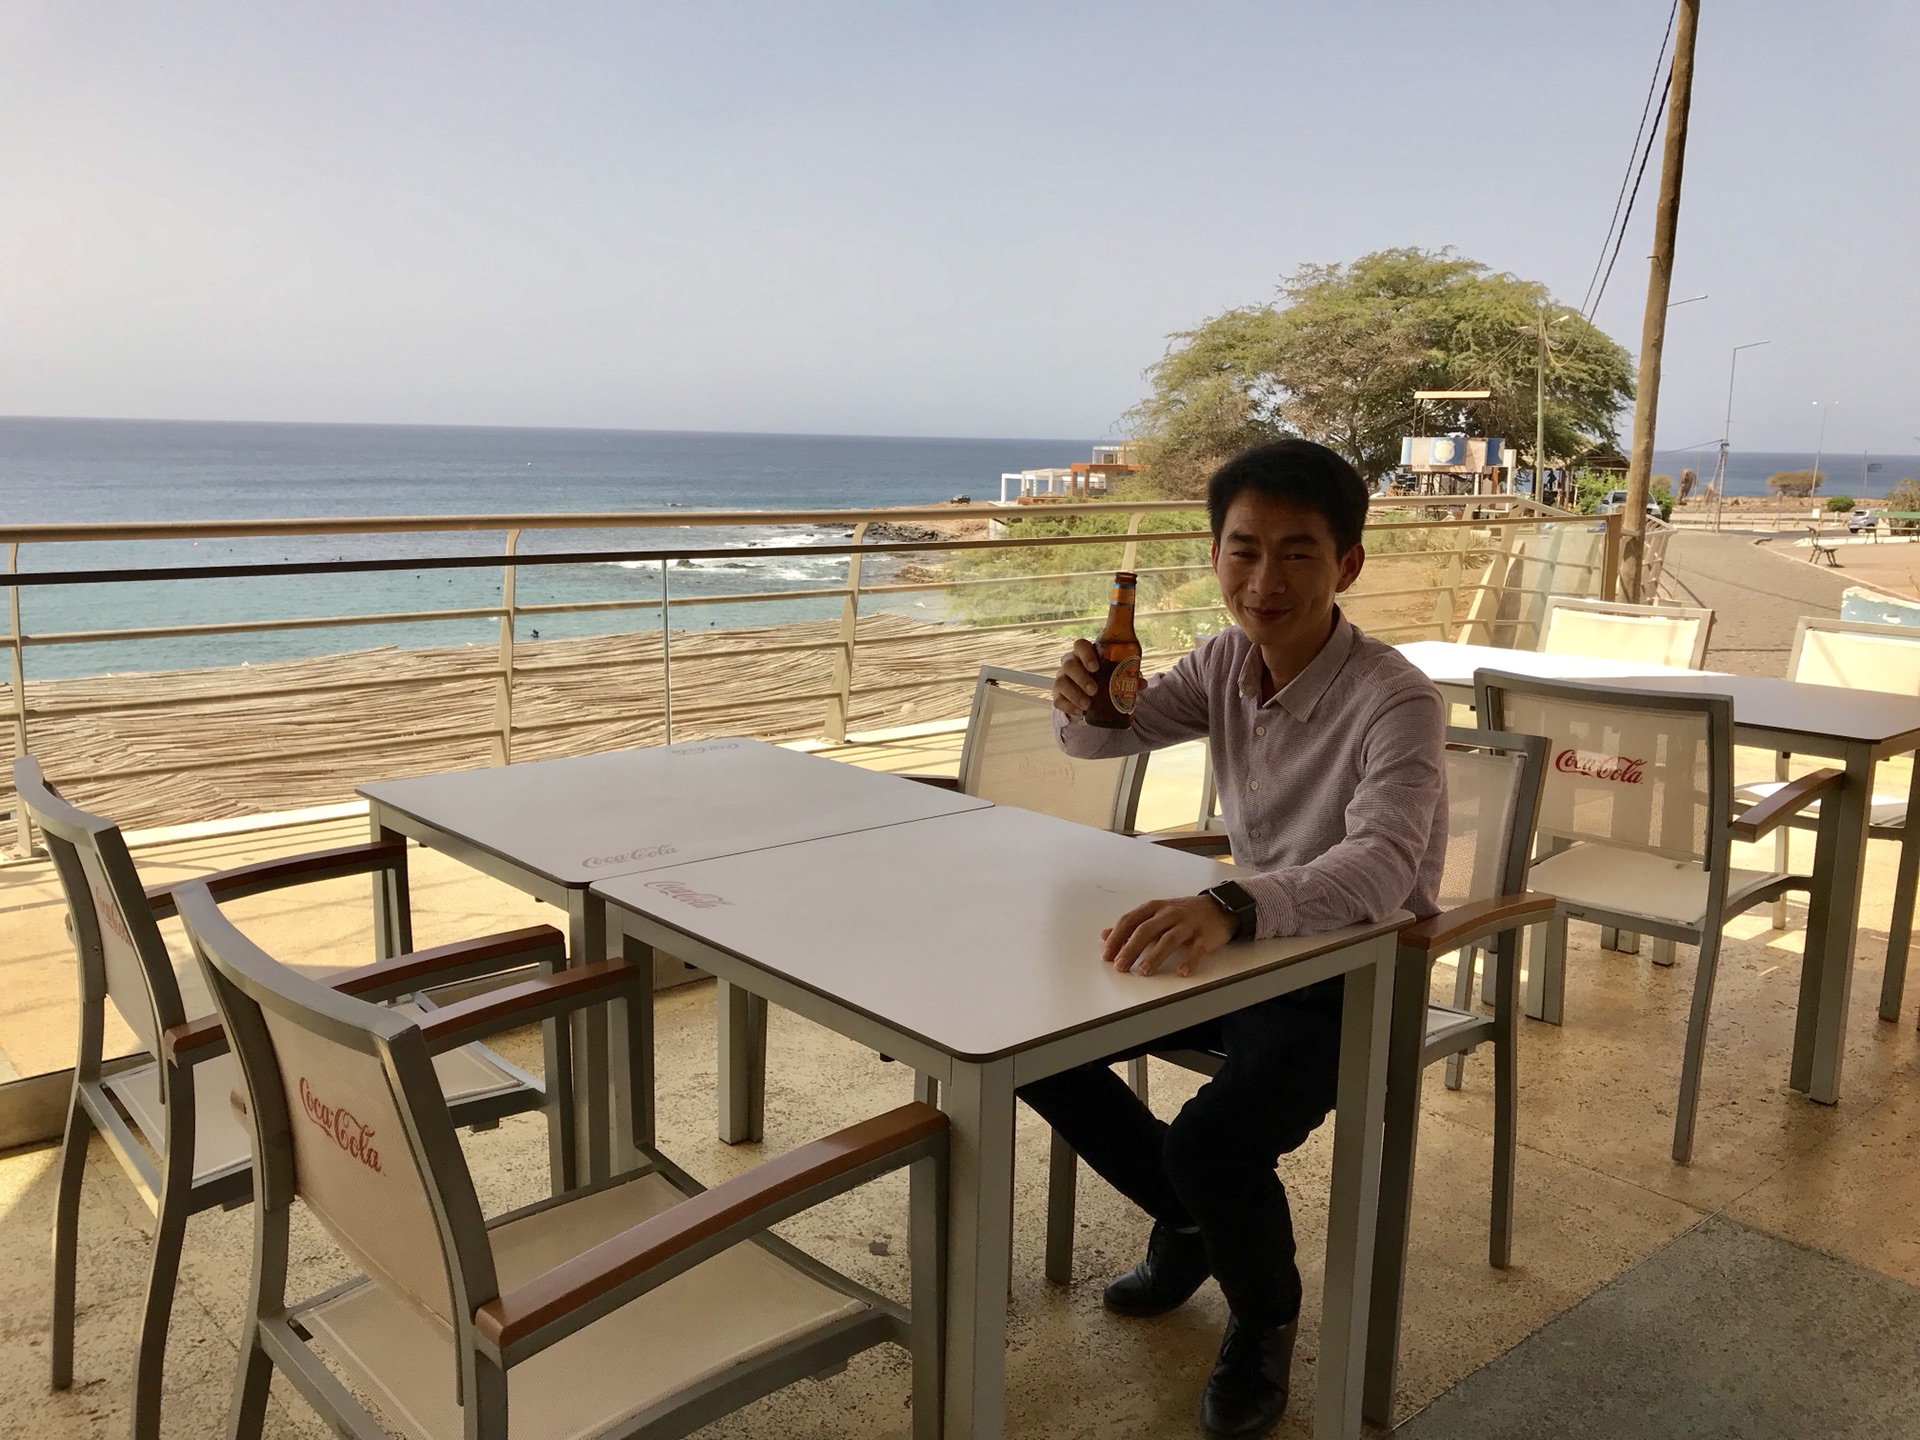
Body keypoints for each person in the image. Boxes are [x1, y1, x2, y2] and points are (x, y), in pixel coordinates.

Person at [1022, 438, 1447, 1440]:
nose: (1266, 581)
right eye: (1244, 550)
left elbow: (1383, 869)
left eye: (1298, 553)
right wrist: (1078, 701)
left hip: (1353, 973)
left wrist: (1234, 906)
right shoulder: (1222, 661)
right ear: (1215, 556)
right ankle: (1189, 1219)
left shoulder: (1397, 698)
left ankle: (1262, 1318)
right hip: (1244, 951)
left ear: (1347, 565)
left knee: (1212, 1144)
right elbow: (1114, 734)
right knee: (1035, 1041)